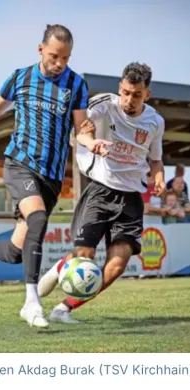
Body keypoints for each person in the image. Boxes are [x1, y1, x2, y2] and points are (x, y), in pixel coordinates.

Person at [0, 24, 110, 328]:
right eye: (54, 56)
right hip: (20, 163)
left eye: (65, 58)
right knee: (37, 218)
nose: (59, 63)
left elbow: (81, 129)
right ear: (41, 50)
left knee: (16, 252)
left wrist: (92, 143)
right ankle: (31, 302)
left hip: (51, 176)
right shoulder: (20, 78)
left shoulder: (76, 85)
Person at [37, 62, 167, 323]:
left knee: (116, 266)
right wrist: (90, 140)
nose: (129, 100)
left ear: (147, 94)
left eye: (137, 95)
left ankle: (63, 309)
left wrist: (160, 178)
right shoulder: (104, 105)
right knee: (84, 257)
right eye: (126, 92)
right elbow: (79, 128)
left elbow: (155, 160)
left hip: (131, 199)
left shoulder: (155, 122)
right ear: (120, 88)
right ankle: (62, 266)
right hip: (100, 191)